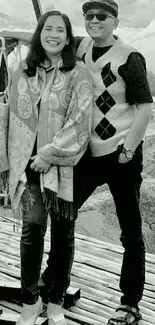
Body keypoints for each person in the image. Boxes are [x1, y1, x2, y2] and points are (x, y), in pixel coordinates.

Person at [0, 1, 153, 324]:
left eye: (102, 17)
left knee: (130, 231)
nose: (94, 21)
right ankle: (52, 284)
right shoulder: (82, 47)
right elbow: (45, 36)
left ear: (115, 22)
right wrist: (8, 34)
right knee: (62, 219)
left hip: (121, 156)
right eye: (89, 17)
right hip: (87, 154)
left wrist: (128, 149)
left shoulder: (129, 57)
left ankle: (130, 302)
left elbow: (143, 108)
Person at [2, 10, 93, 325]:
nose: (53, 34)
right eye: (48, 28)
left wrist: (49, 155)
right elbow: (11, 117)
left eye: (60, 30)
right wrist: (11, 162)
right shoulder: (22, 73)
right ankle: (30, 300)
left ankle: (55, 302)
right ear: (40, 33)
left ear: (68, 38)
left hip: (64, 169)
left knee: (63, 235)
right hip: (27, 167)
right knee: (31, 231)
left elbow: (80, 122)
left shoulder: (78, 74)